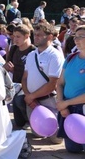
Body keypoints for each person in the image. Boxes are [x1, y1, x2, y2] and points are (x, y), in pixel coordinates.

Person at [21, 22, 64, 144]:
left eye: (40, 35)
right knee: (37, 133)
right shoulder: (31, 55)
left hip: (49, 99)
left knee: (56, 139)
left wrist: (31, 97)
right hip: (32, 100)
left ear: (50, 37)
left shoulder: (55, 55)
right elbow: (24, 78)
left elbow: (53, 84)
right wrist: (28, 96)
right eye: (35, 34)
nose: (36, 37)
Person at [56, 25, 85, 153]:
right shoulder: (70, 57)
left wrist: (65, 103)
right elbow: (60, 83)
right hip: (68, 108)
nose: (77, 40)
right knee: (72, 149)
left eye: (81, 37)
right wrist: (61, 104)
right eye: (75, 37)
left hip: (82, 108)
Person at [6, 25, 36, 129]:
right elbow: (6, 65)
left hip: (28, 86)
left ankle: (30, 120)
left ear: (27, 36)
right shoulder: (14, 49)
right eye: (14, 36)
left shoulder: (33, 51)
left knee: (19, 100)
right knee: (18, 123)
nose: (15, 39)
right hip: (15, 84)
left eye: (18, 36)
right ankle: (23, 119)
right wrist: (7, 67)